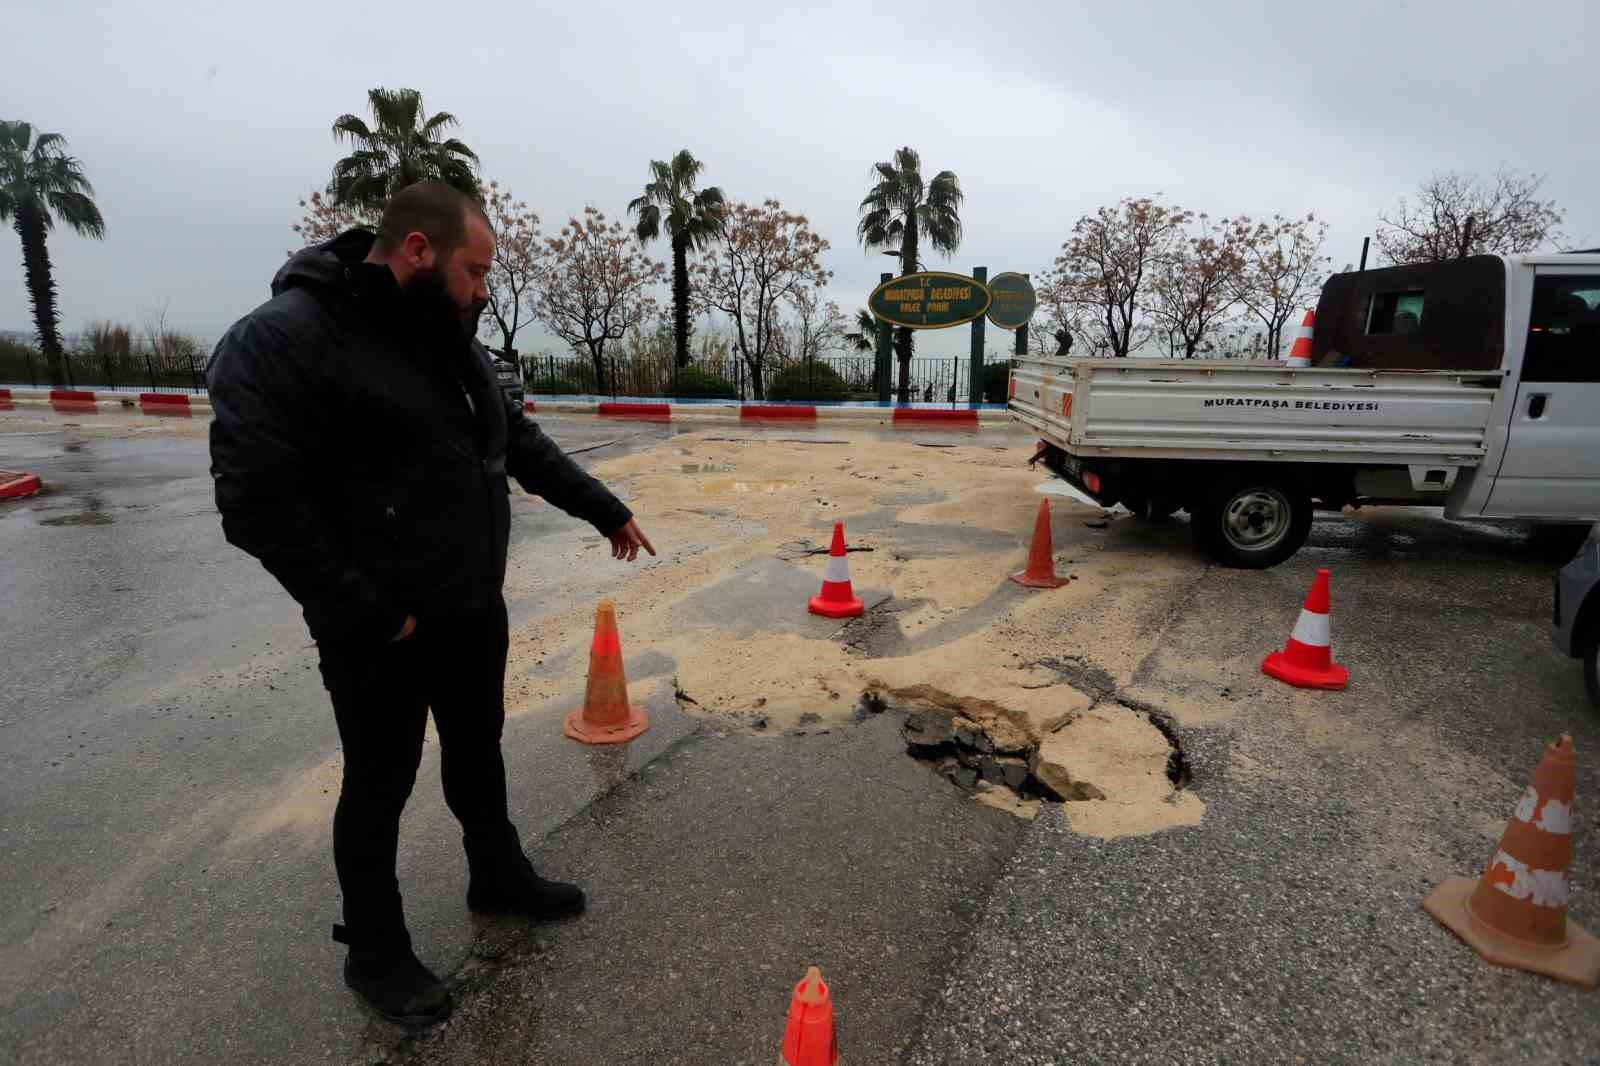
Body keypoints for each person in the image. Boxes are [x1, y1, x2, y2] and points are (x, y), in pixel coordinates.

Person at [206, 181, 654, 1026]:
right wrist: (370, 610)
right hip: (378, 627)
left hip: (470, 605)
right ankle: (375, 954)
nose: (484, 289)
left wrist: (604, 507)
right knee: (381, 784)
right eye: (475, 271)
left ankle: (498, 875)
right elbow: (255, 504)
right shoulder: (283, 341)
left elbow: (511, 437)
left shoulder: (448, 337)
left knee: (478, 752)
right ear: (417, 249)